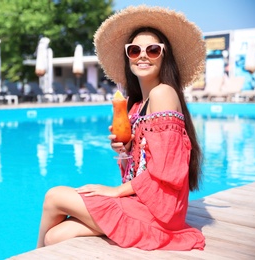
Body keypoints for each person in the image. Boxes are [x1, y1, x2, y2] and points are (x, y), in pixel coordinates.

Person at [37, 5, 206, 250]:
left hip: (159, 211)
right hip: (142, 202)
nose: (143, 55)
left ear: (164, 56)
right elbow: (142, 167)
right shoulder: (136, 106)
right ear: (128, 58)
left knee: (54, 196)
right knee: (55, 237)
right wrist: (125, 148)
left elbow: (168, 170)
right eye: (135, 50)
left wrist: (115, 191)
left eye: (153, 50)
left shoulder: (163, 93)